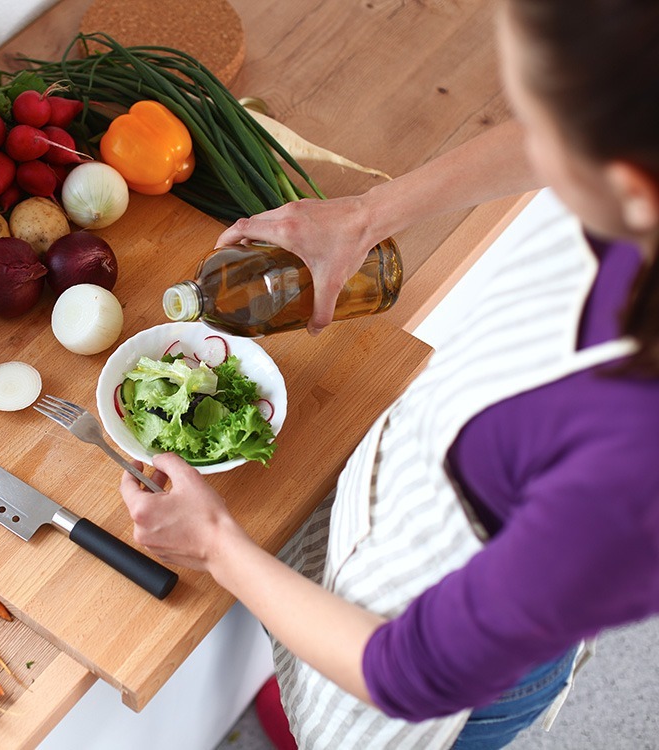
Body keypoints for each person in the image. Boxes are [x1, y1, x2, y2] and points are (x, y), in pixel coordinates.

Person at [118, 1, 659, 748]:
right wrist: (366, 214)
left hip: (442, 687)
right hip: (398, 517)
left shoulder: (632, 479)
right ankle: (293, 698)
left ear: (631, 181)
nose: (538, 139)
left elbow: (410, 673)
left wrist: (213, 544)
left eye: (548, 122)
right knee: (304, 675)